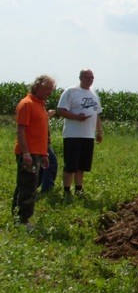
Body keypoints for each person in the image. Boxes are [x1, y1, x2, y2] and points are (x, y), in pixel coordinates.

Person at [12, 75, 56, 228]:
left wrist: (44, 153)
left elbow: (42, 132)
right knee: (27, 186)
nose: (50, 92)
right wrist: (25, 153)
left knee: (29, 184)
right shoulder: (27, 104)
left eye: (52, 89)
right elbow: (20, 130)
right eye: (47, 88)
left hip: (37, 153)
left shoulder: (40, 105)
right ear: (37, 86)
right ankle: (22, 220)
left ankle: (20, 215)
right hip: (28, 153)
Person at [56, 69, 103, 195]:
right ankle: (66, 190)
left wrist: (99, 131)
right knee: (71, 164)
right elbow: (61, 110)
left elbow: (96, 114)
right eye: (87, 77)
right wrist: (77, 117)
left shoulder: (94, 93)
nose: (90, 80)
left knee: (82, 165)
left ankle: (79, 188)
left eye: (92, 77)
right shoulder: (71, 92)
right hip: (73, 135)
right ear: (80, 78)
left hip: (88, 135)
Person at [38, 109, 59, 193]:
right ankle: (47, 188)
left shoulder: (39, 103)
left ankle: (36, 184)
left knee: (41, 165)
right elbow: (36, 122)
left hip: (43, 140)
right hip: (41, 140)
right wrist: (47, 115)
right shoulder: (31, 103)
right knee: (51, 163)